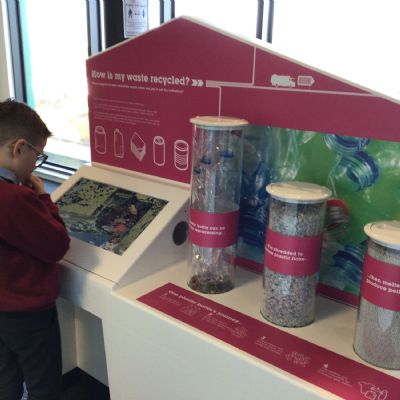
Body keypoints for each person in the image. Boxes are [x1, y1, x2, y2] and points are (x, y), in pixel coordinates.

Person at [0, 99, 70, 400]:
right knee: (43, 385)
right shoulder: (15, 199)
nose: (35, 164)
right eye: (37, 155)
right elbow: (56, 245)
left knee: (6, 380)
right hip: (27, 314)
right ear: (19, 148)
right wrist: (43, 197)